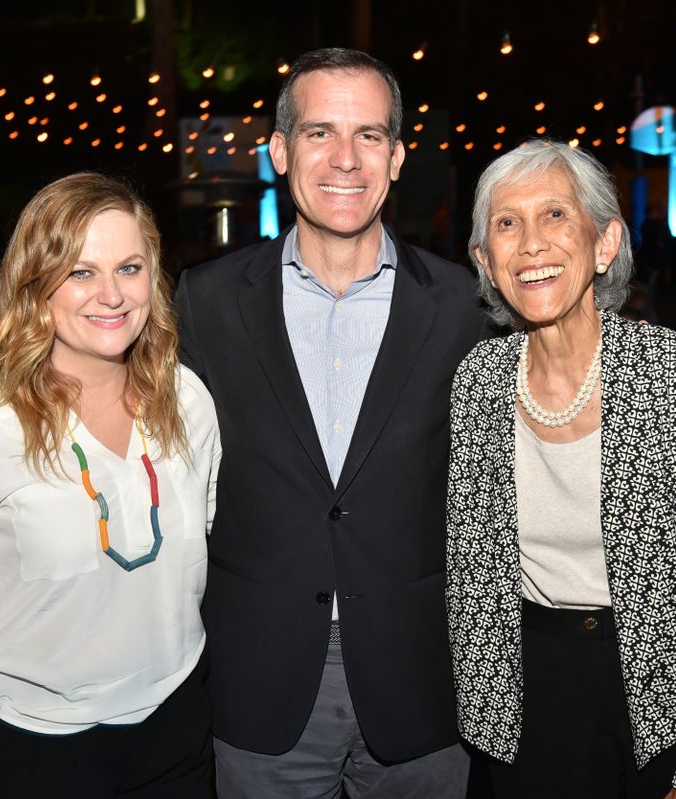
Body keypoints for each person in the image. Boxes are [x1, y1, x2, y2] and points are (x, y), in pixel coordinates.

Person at [174, 48, 486, 797]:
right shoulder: (207, 300)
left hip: (420, 673)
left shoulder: (465, 307)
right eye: (319, 133)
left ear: (399, 156)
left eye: (370, 135)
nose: (346, 159)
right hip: (261, 673)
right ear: (280, 150)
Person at [447, 140, 676, 799]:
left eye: (555, 215)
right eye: (507, 224)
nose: (531, 243)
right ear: (486, 261)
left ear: (604, 243)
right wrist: (483, 716)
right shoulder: (477, 383)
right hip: (532, 697)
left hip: (673, 690)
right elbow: (471, 576)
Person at [0, 173, 220, 797]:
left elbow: (202, 541)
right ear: (36, 285)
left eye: (129, 267)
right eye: (80, 272)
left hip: (178, 726)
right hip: (35, 747)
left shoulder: (187, 399)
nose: (112, 294)